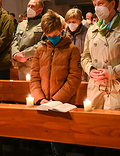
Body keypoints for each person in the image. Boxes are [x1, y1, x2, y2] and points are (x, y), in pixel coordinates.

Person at [30, 10, 82, 156]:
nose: (51, 38)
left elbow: (74, 78)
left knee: (60, 143)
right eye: (48, 35)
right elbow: (34, 76)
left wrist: (55, 100)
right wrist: (40, 98)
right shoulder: (40, 50)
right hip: (43, 102)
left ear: (61, 29)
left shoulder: (72, 50)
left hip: (63, 103)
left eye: (54, 35)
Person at [11, 0, 45, 80]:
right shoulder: (22, 24)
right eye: (28, 6)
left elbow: (44, 43)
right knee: (24, 91)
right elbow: (15, 40)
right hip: (21, 65)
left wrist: (25, 54)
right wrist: (15, 54)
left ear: (40, 10)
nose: (29, 8)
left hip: (37, 65)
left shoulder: (44, 24)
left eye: (33, 6)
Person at [65, 8, 88, 81]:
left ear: (80, 21)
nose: (71, 24)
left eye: (74, 22)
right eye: (69, 22)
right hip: (68, 68)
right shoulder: (64, 33)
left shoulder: (87, 33)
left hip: (82, 69)